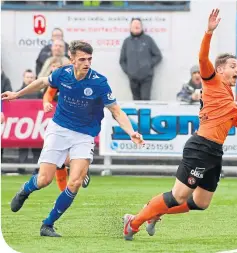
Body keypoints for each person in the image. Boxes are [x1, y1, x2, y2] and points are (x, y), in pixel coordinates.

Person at [123, 9, 237, 241]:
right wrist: (208, 32)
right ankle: (133, 222)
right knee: (178, 196)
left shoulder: (228, 95)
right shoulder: (212, 80)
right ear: (220, 70)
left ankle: (152, 213)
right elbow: (202, 59)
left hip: (214, 152)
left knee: (200, 202)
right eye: (233, 66)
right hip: (200, 147)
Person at [2, 40, 144, 237]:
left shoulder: (99, 82)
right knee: (44, 179)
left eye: (90, 59)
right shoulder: (63, 73)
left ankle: (47, 225)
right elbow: (43, 82)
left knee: (75, 182)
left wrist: (131, 132)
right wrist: (17, 94)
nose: (87, 63)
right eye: (82, 59)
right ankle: (25, 190)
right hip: (59, 129)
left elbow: (116, 111)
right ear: (72, 60)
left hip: (84, 135)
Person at [42, 85, 91, 191]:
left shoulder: (76, 80)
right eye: (53, 66)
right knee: (58, 161)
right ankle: (63, 193)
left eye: (57, 66)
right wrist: (46, 102)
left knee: (64, 157)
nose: (56, 67)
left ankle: (82, 167)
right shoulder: (55, 78)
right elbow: (47, 92)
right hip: (57, 125)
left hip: (75, 125)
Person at [119, 18, 162, 100]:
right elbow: (122, 60)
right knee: (136, 101)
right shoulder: (127, 42)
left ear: (142, 27)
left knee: (145, 100)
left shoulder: (148, 40)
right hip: (133, 78)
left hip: (146, 77)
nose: (136, 26)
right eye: (134, 24)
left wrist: (148, 65)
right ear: (130, 27)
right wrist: (129, 71)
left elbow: (158, 56)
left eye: (138, 24)